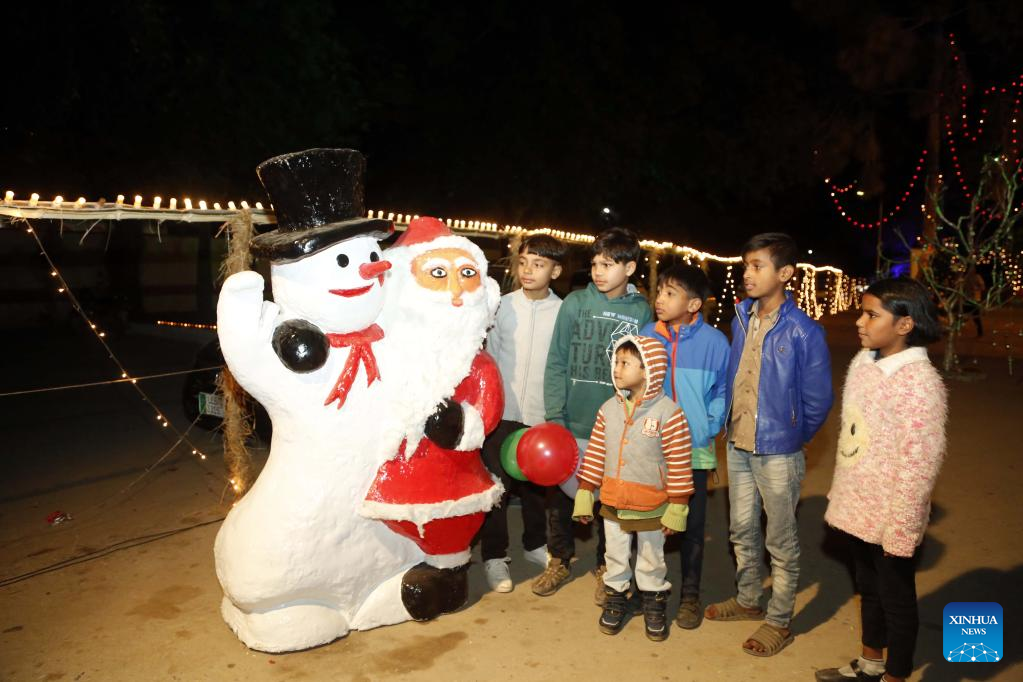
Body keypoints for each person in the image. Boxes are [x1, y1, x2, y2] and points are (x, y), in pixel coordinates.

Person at [704, 232, 834, 656]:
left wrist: (793, 435)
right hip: (738, 442)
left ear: (785, 273)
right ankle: (748, 600)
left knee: (780, 539)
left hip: (779, 450)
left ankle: (779, 620)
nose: (748, 273)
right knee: (741, 529)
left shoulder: (804, 331)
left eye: (757, 266)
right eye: (746, 265)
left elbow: (818, 400)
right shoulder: (741, 318)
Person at [816, 277, 946, 682]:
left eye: (872, 315)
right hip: (859, 505)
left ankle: (896, 674)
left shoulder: (919, 383)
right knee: (867, 587)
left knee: (896, 598)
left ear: (905, 325)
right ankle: (871, 661)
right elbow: (853, 438)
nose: (860, 322)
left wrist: (901, 528)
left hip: (892, 514)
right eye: (862, 312)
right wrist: (842, 491)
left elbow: (919, 463)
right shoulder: (863, 362)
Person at [537, 227, 652, 598]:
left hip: (615, 428)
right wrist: (555, 416)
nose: (598, 272)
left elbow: (646, 372)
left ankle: (608, 564)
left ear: (629, 268)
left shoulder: (641, 311)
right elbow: (556, 360)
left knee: (610, 501)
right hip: (571, 423)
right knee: (560, 500)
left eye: (608, 264)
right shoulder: (575, 303)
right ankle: (559, 559)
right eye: (595, 264)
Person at [572, 336, 693, 641]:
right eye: (616, 361)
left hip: (651, 503)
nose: (616, 368)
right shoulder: (608, 409)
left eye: (625, 363)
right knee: (614, 553)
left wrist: (678, 504)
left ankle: (653, 601)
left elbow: (679, 461)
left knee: (652, 557)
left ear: (648, 369)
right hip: (613, 498)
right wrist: (586, 490)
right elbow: (596, 452)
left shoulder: (669, 413)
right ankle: (616, 597)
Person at [640, 263, 730, 629]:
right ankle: (649, 591)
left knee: (692, 525)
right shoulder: (648, 335)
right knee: (647, 521)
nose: (659, 299)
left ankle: (690, 595)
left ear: (693, 304)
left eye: (670, 293)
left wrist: (709, 424)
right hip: (651, 448)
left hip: (694, 448)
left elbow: (722, 390)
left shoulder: (715, 343)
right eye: (660, 291)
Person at [479, 234, 566, 592]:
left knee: (536, 490)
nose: (528, 270)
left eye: (539, 264)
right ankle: (494, 556)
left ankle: (535, 544)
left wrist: (555, 412)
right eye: (524, 262)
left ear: (555, 271)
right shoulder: (502, 306)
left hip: (540, 415)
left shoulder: (563, 312)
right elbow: (490, 357)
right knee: (496, 488)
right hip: (501, 413)